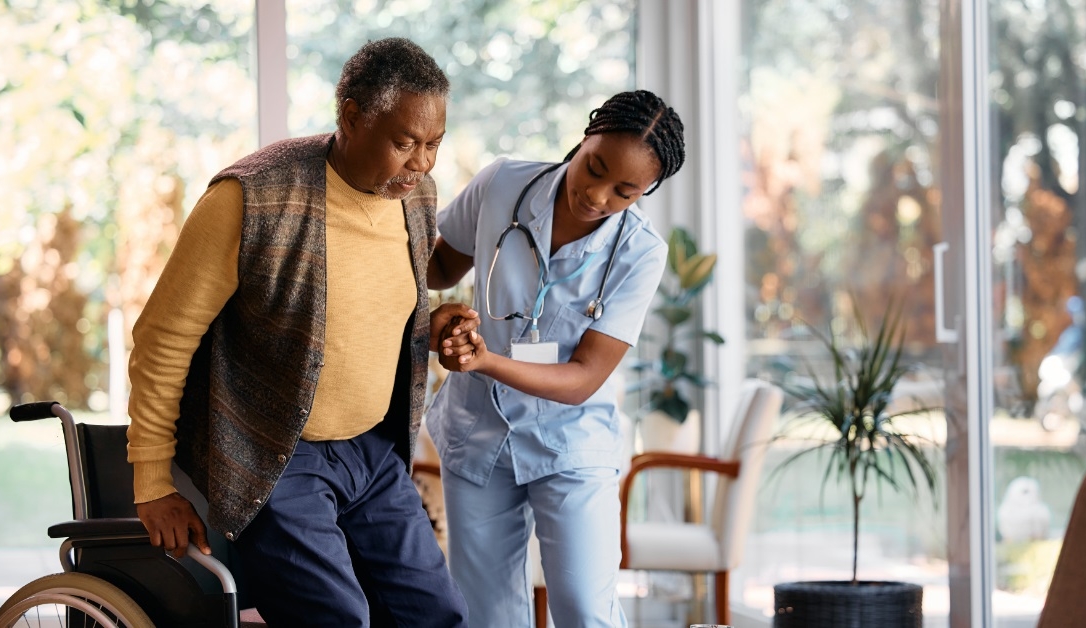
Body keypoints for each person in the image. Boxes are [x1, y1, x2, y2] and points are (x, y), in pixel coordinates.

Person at [125, 37, 474, 627]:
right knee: (337, 618)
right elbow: (163, 339)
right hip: (277, 455)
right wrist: (153, 482)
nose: (421, 163)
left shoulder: (416, 200)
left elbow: (371, 305)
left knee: (435, 613)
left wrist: (436, 323)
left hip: (374, 450)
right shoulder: (250, 197)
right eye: (405, 143)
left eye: (434, 144)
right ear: (351, 117)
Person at [426, 89, 687, 627]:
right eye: (594, 167)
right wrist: (437, 315)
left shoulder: (640, 252)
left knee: (585, 608)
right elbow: (435, 269)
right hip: (479, 433)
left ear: (647, 191)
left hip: (570, 441)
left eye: (625, 191)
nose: (596, 194)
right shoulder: (502, 184)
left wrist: (485, 360)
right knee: (487, 614)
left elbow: (584, 377)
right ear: (586, 135)